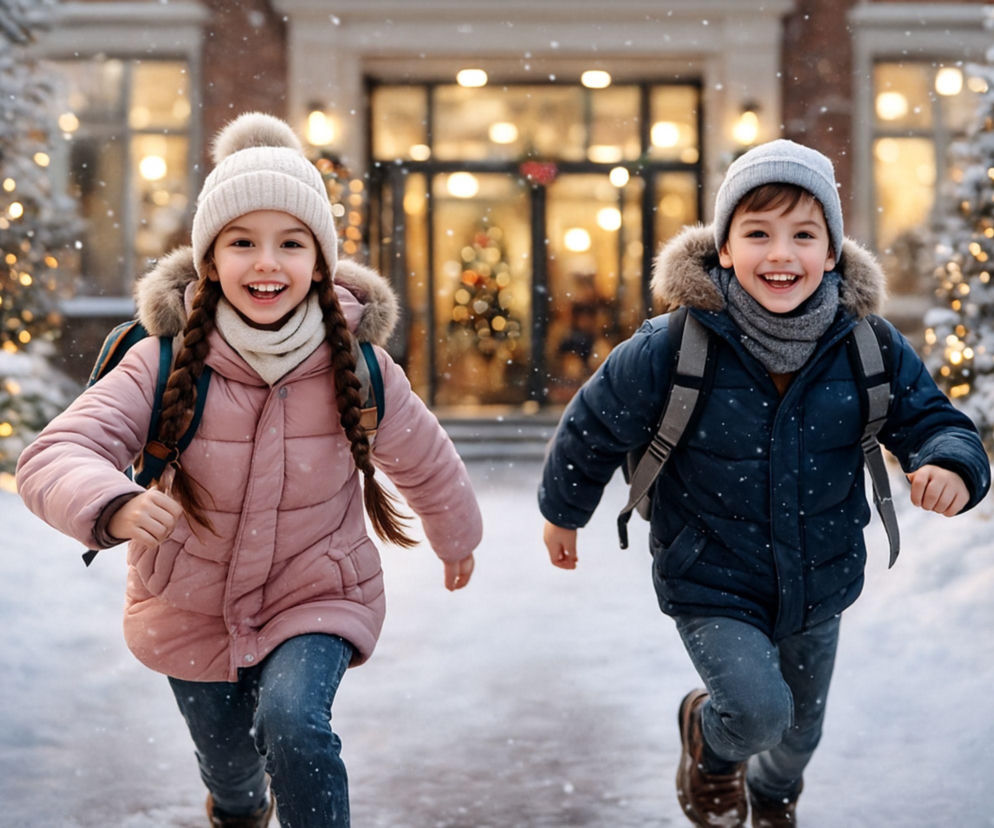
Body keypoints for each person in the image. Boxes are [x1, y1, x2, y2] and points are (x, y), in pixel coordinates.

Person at [16, 112, 483, 828]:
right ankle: (237, 806)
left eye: (291, 244)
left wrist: (458, 533)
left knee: (296, 726)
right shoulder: (162, 360)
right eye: (242, 243)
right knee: (233, 772)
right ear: (209, 260)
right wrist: (113, 503)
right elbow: (54, 454)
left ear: (320, 263)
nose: (267, 262)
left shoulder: (358, 366)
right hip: (189, 602)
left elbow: (424, 454)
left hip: (317, 588)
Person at [538, 139, 990, 827]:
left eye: (803, 235)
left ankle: (774, 797)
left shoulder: (868, 344)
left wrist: (953, 462)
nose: (781, 254)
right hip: (710, 574)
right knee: (756, 712)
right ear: (724, 249)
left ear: (832, 252)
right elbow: (594, 421)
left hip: (821, 578)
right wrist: (562, 510)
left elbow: (931, 417)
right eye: (757, 234)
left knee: (798, 738)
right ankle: (712, 746)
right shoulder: (674, 344)